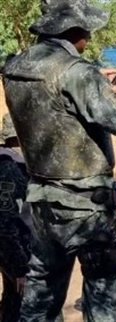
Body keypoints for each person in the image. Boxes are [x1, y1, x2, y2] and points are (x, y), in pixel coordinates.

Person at [1, 0, 116, 320]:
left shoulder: (14, 67)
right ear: (74, 31)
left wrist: (94, 83)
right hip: (86, 206)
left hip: (43, 201)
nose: (89, 38)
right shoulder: (78, 73)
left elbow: (54, 101)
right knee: (102, 290)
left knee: (41, 293)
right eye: (87, 31)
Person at [0, 114, 31, 322]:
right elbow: (4, 224)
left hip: (10, 251)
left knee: (12, 298)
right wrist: (20, 268)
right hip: (16, 252)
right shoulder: (11, 167)